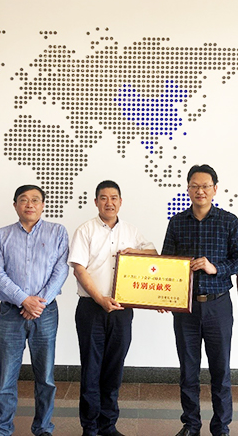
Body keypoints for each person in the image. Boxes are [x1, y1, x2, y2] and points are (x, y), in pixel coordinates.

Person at [162, 164, 238, 436]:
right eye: (195, 186)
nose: (200, 191)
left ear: (215, 189)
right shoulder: (177, 222)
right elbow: (167, 263)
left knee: (220, 371)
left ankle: (221, 427)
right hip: (185, 307)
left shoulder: (229, 221)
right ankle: (191, 424)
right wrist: (163, 295)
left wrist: (215, 268)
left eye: (205, 186)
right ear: (188, 189)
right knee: (188, 371)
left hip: (217, 305)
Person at [69, 180, 158, 436]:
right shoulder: (85, 230)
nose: (109, 202)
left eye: (114, 198)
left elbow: (154, 253)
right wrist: (100, 299)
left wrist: (136, 253)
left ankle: (108, 425)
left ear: (120, 201)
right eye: (104, 198)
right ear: (96, 202)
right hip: (91, 308)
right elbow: (79, 269)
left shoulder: (130, 231)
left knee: (114, 368)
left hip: (121, 309)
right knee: (91, 368)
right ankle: (90, 426)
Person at [0, 185, 69, 436]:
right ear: (15, 205)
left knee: (45, 377)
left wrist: (38, 303)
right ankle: (1, 429)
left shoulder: (58, 232)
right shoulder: (1, 236)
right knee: (6, 378)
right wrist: (24, 300)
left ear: (43, 205)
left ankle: (43, 428)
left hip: (45, 313)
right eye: (23, 200)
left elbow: (61, 270)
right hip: (10, 313)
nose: (30, 204)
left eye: (35, 200)